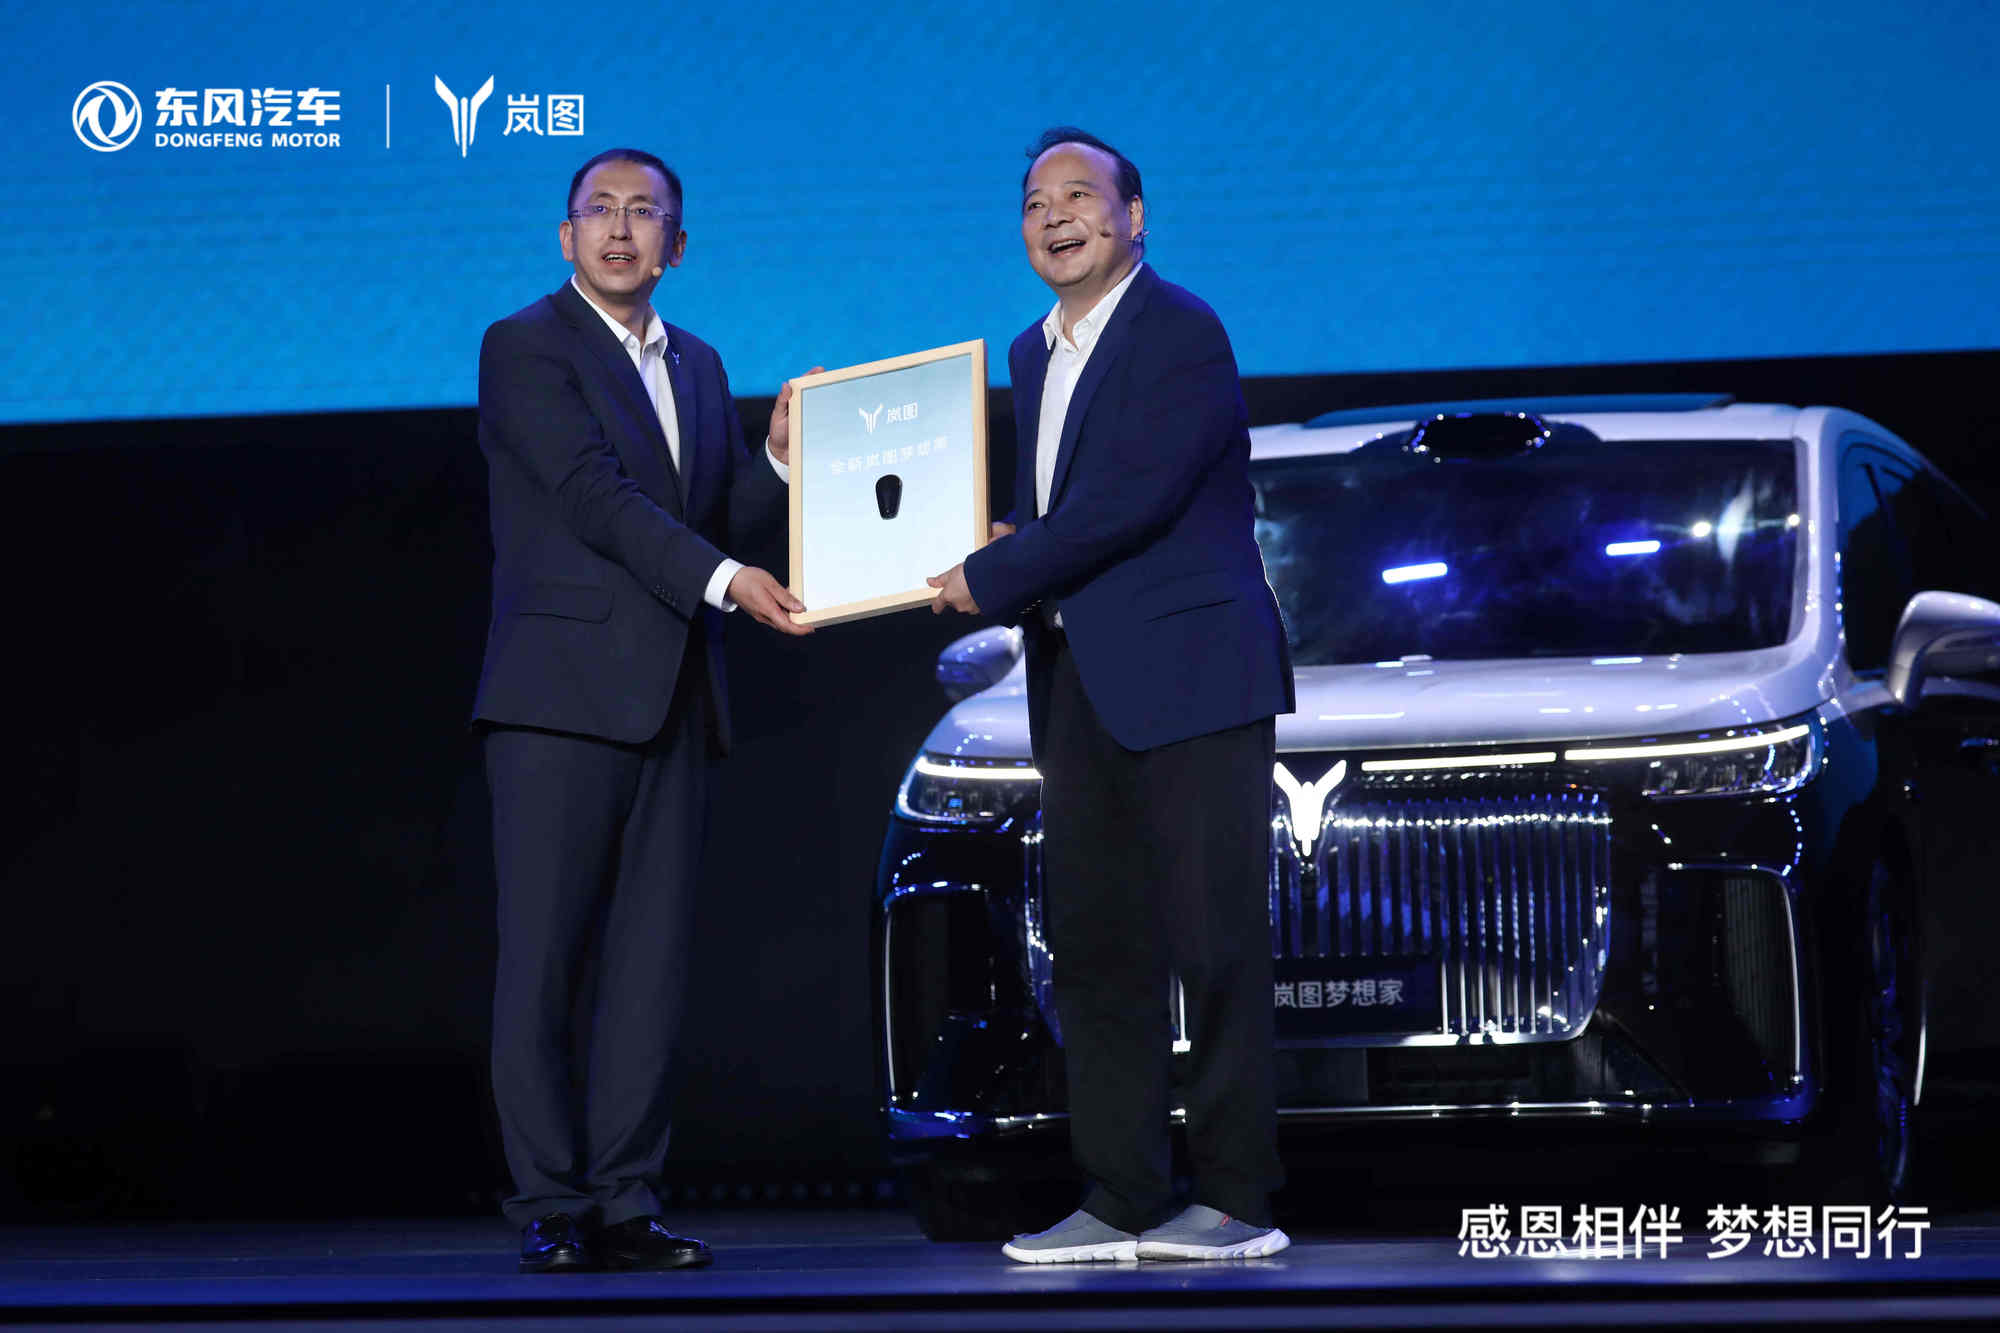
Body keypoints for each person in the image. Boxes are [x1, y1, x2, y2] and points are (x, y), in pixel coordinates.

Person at [929, 128, 1295, 1263]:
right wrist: (1008, 542)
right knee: (1095, 948)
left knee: (1214, 943)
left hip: (1193, 673)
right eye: (1035, 201)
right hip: (1078, 678)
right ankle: (1121, 1193)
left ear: (1135, 217)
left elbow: (1132, 498)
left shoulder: (1179, 329)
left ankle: (1234, 1196)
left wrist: (993, 572)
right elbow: (1065, 514)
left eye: (1079, 195)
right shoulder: (1030, 353)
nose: (1054, 215)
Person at [474, 146, 813, 1273]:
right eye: (600, 211)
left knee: (648, 972)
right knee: (543, 965)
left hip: (676, 695)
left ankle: (625, 1199)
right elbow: (594, 499)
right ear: (565, 235)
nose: (620, 230)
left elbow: (710, 518)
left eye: (644, 214)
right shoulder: (525, 345)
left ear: (678, 243)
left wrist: (775, 464)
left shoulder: (700, 364)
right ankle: (550, 1201)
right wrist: (726, 581)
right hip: (557, 701)